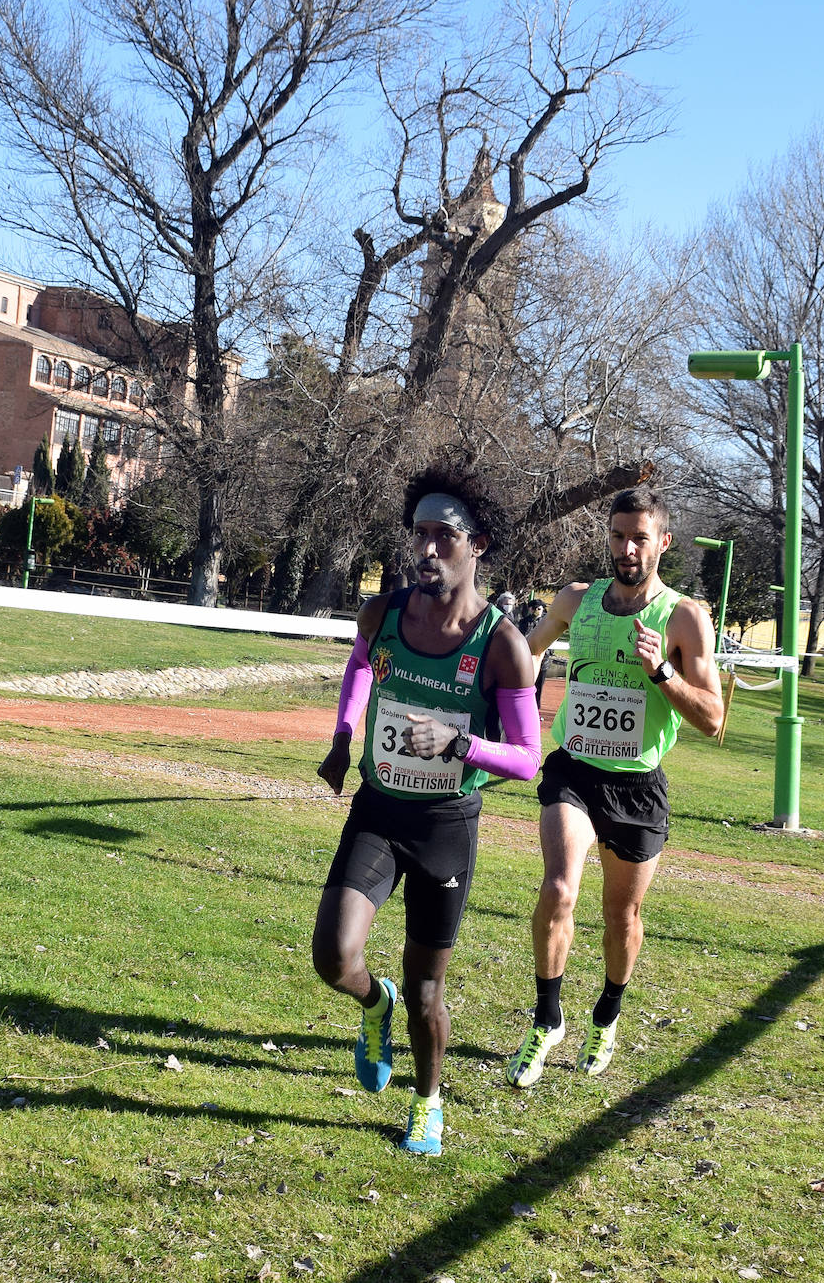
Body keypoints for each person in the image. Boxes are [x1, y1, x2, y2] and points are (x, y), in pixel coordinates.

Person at [313, 466, 541, 1155]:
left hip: (445, 825)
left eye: (446, 536)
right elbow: (361, 666)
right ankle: (371, 1002)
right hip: (379, 808)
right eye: (421, 535)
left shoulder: (502, 644)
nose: (429, 550)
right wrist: (344, 737)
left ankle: (428, 1103)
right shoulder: (383, 613)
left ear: (479, 546)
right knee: (331, 956)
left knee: (427, 991)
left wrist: (459, 742)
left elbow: (530, 757)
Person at [506, 484, 724, 1088]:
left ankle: (606, 1013)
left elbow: (712, 718)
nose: (627, 548)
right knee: (558, 887)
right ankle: (546, 1018)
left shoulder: (683, 617)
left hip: (637, 785)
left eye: (640, 538)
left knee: (620, 914)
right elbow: (521, 658)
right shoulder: (576, 600)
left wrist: (660, 672)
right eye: (618, 535)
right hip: (574, 769)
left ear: (664, 543)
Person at [517, 599, 552, 709]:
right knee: (526, 685)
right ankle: (524, 708)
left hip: (543, 660)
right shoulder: (523, 622)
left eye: (540, 609)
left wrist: (548, 652)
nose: (538, 611)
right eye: (535, 608)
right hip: (527, 659)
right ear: (531, 609)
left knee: (539, 687)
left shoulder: (548, 623)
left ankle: (536, 709)